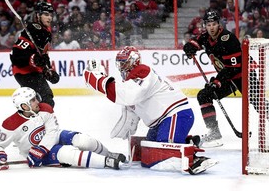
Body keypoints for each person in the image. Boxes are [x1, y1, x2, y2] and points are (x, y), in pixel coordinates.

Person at [82, 46, 218, 175]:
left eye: (124, 63)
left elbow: (127, 96)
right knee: (148, 152)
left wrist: (99, 80)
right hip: (163, 121)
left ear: (134, 62)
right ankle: (189, 141)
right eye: (120, 63)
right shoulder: (131, 82)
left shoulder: (142, 71)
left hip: (176, 114)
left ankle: (194, 159)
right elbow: (129, 100)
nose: (121, 67)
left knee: (163, 154)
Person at [0, 87, 126, 171]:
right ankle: (106, 163)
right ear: (24, 106)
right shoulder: (11, 124)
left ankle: (109, 154)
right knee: (68, 153)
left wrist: (41, 148)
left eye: (35, 98)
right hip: (36, 152)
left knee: (84, 141)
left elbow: (52, 131)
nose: (37, 101)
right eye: (33, 100)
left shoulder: (45, 109)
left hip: (50, 140)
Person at [183, 9, 251, 148]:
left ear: (218, 24)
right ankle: (214, 133)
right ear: (205, 26)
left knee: (258, 102)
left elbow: (234, 68)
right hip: (227, 78)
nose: (211, 27)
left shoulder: (228, 39)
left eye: (213, 24)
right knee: (204, 95)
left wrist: (217, 82)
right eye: (208, 25)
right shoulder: (206, 37)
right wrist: (189, 47)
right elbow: (195, 42)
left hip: (243, 75)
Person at [10, 1, 60, 108]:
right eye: (46, 14)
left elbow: (43, 56)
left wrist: (48, 70)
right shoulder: (32, 29)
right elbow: (16, 56)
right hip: (23, 72)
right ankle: (38, 122)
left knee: (43, 99)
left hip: (34, 72)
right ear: (38, 15)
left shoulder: (46, 33)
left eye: (51, 15)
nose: (49, 18)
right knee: (41, 100)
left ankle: (39, 122)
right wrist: (33, 59)